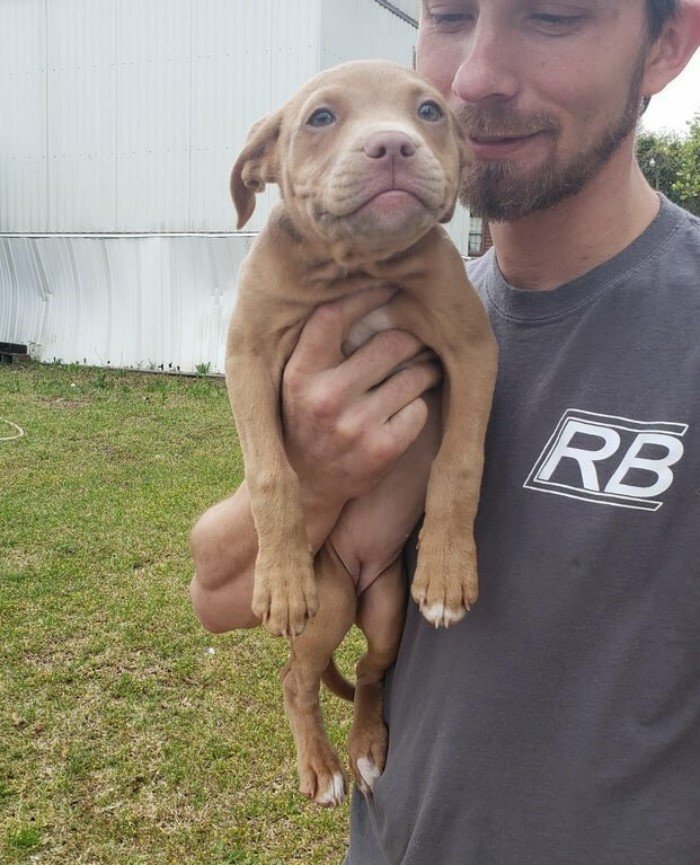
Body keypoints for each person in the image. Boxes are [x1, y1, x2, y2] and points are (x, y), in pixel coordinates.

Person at [190, 1, 700, 862]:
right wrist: (309, 477)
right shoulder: (403, 304)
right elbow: (215, 598)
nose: (472, 78)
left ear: (667, 46)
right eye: (450, 14)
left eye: (554, 14)